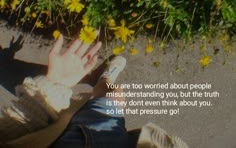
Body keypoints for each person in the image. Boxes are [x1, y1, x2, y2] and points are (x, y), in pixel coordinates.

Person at [0, 33, 188, 148]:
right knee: (114, 95)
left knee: (112, 97)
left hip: (92, 140)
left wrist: (53, 85)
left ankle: (103, 79)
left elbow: (9, 138)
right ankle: (103, 78)